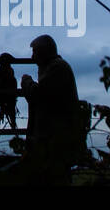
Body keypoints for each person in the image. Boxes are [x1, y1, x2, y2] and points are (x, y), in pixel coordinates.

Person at [19, 34, 81, 184]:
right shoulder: (53, 67)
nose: (33, 57)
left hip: (55, 143)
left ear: (44, 52)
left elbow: (38, 95)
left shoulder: (57, 68)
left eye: (35, 52)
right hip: (54, 141)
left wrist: (26, 82)